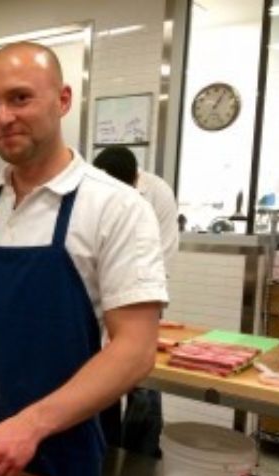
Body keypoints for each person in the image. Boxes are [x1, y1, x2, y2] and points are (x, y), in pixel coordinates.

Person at [0, 42, 168, 476]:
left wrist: (31, 425)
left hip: (57, 452)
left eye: (19, 98)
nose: (3, 117)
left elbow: (136, 349)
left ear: (63, 100)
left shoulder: (115, 207)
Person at [92, 146, 179, 457]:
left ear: (134, 180)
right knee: (102, 379)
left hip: (143, 291)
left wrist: (135, 302)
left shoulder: (158, 194)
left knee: (143, 382)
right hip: (101, 296)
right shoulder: (93, 193)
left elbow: (162, 256)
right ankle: (107, 452)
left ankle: (142, 459)